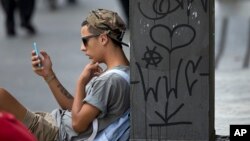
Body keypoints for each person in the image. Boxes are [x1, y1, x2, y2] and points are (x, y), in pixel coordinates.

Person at [0, 9, 130, 141]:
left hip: (56, 133)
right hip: (54, 123)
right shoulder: (123, 73)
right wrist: (48, 75)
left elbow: (78, 124)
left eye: (85, 41)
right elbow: (75, 109)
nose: (82, 48)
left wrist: (81, 82)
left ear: (103, 39)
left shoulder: (110, 81)